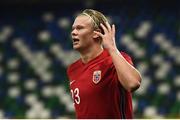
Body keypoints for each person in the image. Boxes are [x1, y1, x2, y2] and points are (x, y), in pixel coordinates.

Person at [67, 9, 142, 119]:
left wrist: (112, 48)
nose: (73, 32)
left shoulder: (114, 59)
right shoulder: (72, 69)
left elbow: (133, 83)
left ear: (96, 33)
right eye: (73, 28)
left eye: (80, 28)